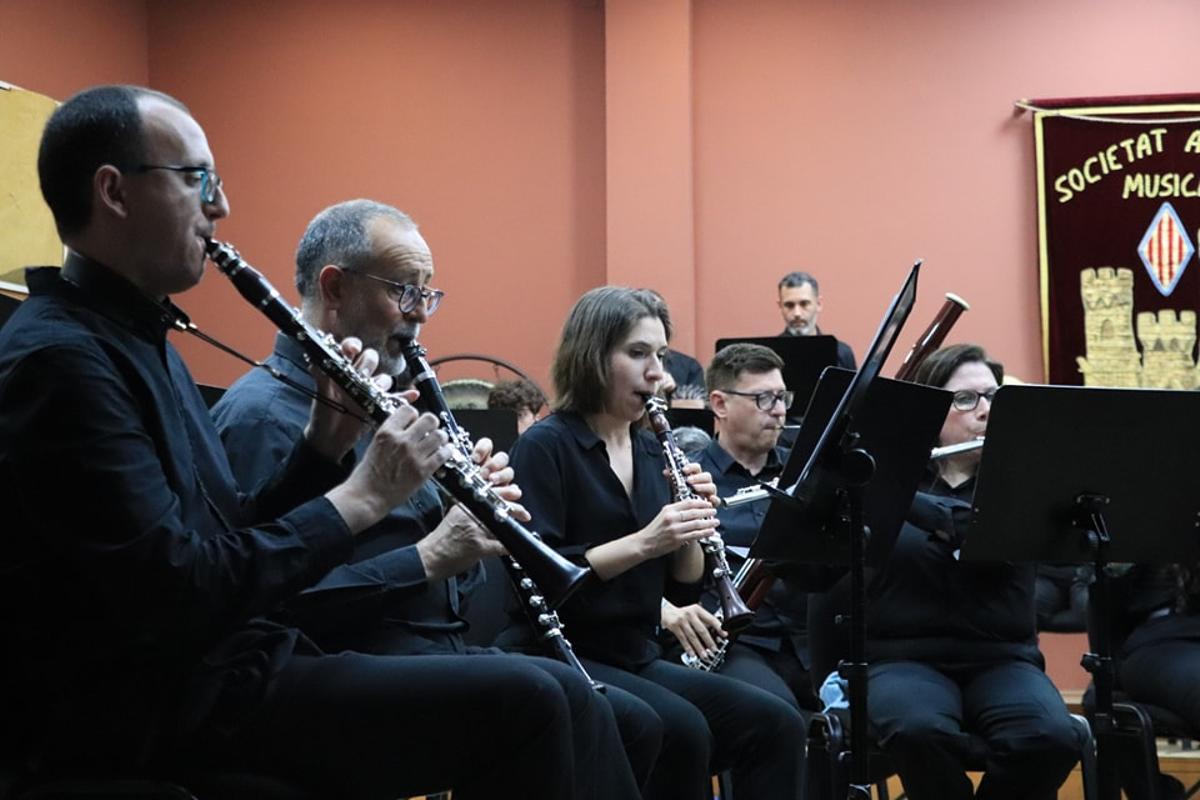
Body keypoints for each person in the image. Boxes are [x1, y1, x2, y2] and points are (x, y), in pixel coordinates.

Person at [0, 84, 613, 799]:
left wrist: (322, 450)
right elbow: (180, 590)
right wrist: (360, 495)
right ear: (114, 191)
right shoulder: (61, 360)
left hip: (226, 672)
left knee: (562, 694)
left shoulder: (144, 342)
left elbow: (228, 534)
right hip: (157, 704)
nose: (220, 207)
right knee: (530, 701)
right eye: (198, 179)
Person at [212, 198, 657, 796]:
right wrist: (429, 555)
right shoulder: (264, 417)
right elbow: (267, 597)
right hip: (340, 667)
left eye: (429, 293)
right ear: (335, 288)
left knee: (632, 721)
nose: (420, 315)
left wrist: (466, 526)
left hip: (431, 647)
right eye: (404, 290)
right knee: (545, 699)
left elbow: (455, 596)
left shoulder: (375, 407)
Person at [502, 286, 808, 800]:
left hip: (635, 652)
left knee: (778, 724)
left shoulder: (649, 448)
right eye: (638, 353)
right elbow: (539, 576)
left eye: (661, 355)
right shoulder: (546, 445)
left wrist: (693, 525)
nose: (658, 373)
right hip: (560, 652)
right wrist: (647, 540)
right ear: (594, 356)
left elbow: (684, 584)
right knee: (681, 730)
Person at [859, 343, 1080, 799]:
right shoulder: (884, 478)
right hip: (903, 658)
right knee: (918, 730)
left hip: (1001, 658)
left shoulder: (1020, 481)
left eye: (993, 396)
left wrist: (904, 500)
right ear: (928, 412)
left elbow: (974, 537)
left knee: (1053, 737)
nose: (985, 411)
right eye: (966, 399)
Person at [659, 343, 820, 714]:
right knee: (776, 714)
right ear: (719, 404)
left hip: (808, 640)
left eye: (782, 397)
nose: (779, 410)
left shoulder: (806, 475)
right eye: (764, 399)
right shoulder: (690, 480)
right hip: (736, 645)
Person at [777, 271, 856, 369]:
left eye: (804, 304)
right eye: (789, 305)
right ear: (780, 307)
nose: (797, 313)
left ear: (818, 304)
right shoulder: (768, 355)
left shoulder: (842, 353)